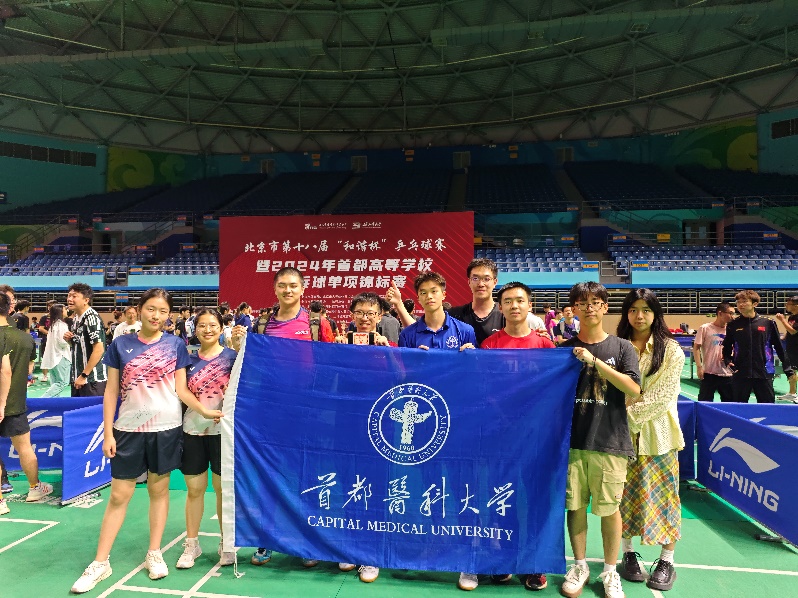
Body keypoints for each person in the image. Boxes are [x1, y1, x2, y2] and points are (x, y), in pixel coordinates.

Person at [70, 288, 223, 594]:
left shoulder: (176, 344)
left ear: (170, 315)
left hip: (166, 428)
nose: (156, 316)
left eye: (163, 311)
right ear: (139, 309)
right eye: (151, 309)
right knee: (119, 495)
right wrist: (108, 432)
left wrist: (205, 410)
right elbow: (111, 391)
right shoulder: (120, 343)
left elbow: (181, 389)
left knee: (159, 490)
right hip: (128, 429)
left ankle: (155, 552)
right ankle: (100, 562)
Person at [397, 272, 477, 591]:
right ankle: (436, 540)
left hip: (458, 418)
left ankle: (468, 554)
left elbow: (477, 374)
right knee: (430, 482)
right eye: (423, 292)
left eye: (434, 291)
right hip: (424, 420)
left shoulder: (464, 331)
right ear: (417, 298)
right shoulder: (408, 334)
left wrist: (471, 358)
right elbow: (402, 377)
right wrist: (415, 364)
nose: (429, 296)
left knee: (461, 483)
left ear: (444, 294)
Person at [560, 281, 641, 598]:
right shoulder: (563, 349)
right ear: (574, 309)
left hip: (609, 441)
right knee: (575, 506)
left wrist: (594, 362)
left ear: (605, 308)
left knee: (610, 509)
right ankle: (580, 565)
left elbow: (633, 389)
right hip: (572, 443)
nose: (589, 307)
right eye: (582, 303)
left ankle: (609, 571)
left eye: (595, 302)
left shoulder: (622, 348)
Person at [250, 267, 331, 568]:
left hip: (307, 413)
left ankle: (306, 542)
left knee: (305, 474)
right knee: (269, 474)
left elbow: (331, 363)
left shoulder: (315, 323)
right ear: (275, 289)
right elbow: (252, 364)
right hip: (270, 413)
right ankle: (266, 538)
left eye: (293, 285)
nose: (288, 290)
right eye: (283, 285)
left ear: (302, 289)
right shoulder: (261, 324)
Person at [480, 282, 554, 592]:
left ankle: (534, 562)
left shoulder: (545, 346)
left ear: (529, 305)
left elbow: (553, 391)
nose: (514, 306)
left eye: (520, 300)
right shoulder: (490, 345)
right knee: (503, 496)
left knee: (535, 498)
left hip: (536, 437)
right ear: (500, 307)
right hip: (501, 436)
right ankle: (504, 558)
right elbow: (485, 389)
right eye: (508, 301)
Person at [616, 289, 685, 592]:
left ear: (655, 313)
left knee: (666, 497)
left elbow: (662, 397)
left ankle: (667, 560)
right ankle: (629, 553)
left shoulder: (671, 350)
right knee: (622, 497)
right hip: (620, 438)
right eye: (633, 309)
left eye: (646, 309)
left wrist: (623, 415)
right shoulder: (617, 346)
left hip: (659, 437)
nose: (639, 315)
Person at [331, 292, 394, 582]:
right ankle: (349, 546)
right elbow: (329, 377)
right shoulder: (341, 344)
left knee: (377, 486)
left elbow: (402, 377)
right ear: (352, 315)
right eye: (359, 312)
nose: (365, 318)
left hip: (380, 428)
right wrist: (336, 351)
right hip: (347, 424)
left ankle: (371, 552)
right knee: (348, 483)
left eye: (370, 313)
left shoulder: (388, 346)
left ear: (380, 316)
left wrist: (388, 351)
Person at [176, 308, 238, 570]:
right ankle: (192, 544)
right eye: (202, 325)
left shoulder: (233, 358)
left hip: (224, 433)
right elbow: (181, 391)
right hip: (193, 430)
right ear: (195, 329)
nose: (208, 330)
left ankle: (226, 542)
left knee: (223, 489)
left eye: (213, 325)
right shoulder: (187, 360)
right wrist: (203, 410)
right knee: (195, 490)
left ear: (221, 328)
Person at [0, 291, 54, 516]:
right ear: (9, 309)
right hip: (16, 403)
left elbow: (5, 371)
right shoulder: (26, 339)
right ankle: (34, 488)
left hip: (3, 403)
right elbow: (30, 368)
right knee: (24, 448)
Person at [722, 290, 794, 403]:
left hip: (764, 373)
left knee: (767, 407)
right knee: (738, 407)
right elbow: (726, 347)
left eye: (744, 301)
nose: (740, 305)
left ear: (755, 304)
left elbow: (779, 347)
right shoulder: (733, 324)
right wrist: (728, 361)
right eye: (738, 302)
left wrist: (788, 370)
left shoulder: (768, 323)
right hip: (741, 374)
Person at [64, 282, 108, 397]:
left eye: (74, 296)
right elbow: (80, 346)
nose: (70, 299)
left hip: (91, 380)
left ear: (86, 300)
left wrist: (84, 375)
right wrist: (69, 340)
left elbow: (99, 349)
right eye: (69, 295)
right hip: (79, 378)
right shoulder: (76, 319)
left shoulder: (91, 318)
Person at [694, 302, 735, 402]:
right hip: (709, 373)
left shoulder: (733, 330)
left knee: (729, 405)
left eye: (733, 313)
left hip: (728, 373)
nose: (733, 316)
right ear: (720, 313)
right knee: (704, 404)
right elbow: (696, 348)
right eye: (730, 313)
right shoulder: (705, 328)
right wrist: (699, 367)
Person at [40, 304, 71, 398]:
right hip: (61, 357)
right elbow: (62, 342)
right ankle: (42, 401)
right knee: (62, 382)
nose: (67, 310)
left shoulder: (53, 325)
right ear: (60, 312)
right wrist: (71, 340)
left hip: (53, 358)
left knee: (55, 383)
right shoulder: (62, 325)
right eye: (65, 309)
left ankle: (52, 404)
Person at [775, 295, 798, 402]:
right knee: (791, 370)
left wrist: (782, 320)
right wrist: (782, 338)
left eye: (788, 304)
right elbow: (789, 332)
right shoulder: (792, 317)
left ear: (796, 306)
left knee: (793, 370)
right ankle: (792, 393)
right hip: (791, 348)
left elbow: (793, 331)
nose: (786, 306)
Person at [37, 300, 56, 383]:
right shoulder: (44, 317)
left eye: (52, 305)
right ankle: (45, 376)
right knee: (45, 357)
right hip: (46, 340)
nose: (50, 307)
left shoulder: (60, 317)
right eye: (49, 306)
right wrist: (50, 335)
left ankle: (55, 375)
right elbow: (41, 328)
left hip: (56, 341)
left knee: (56, 357)